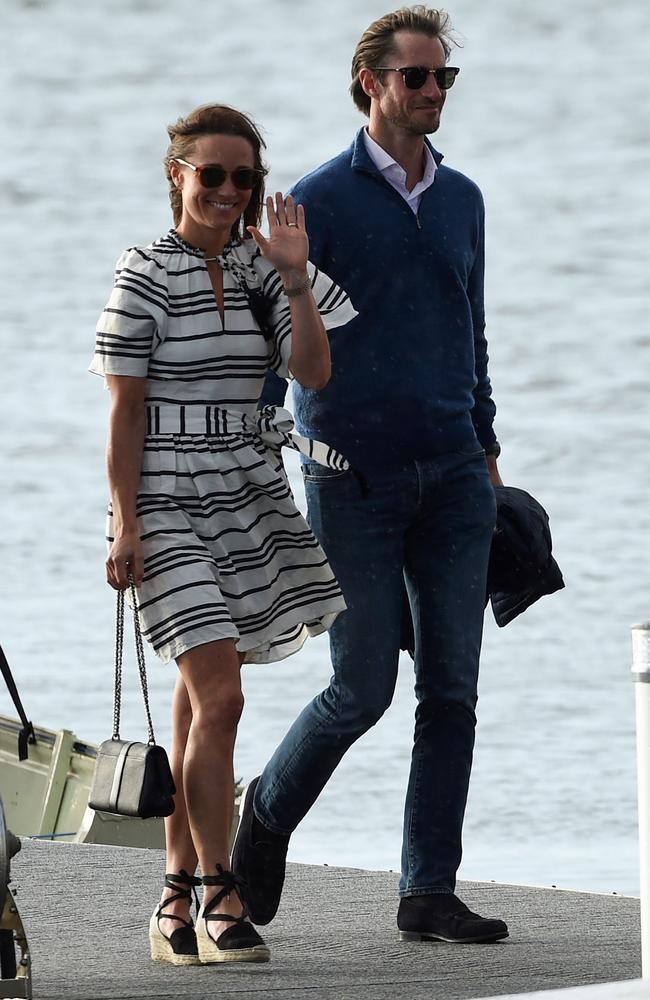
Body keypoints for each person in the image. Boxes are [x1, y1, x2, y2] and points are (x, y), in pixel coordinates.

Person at [233, 5, 509, 944]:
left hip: (457, 479)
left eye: (445, 80)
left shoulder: (465, 198)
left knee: (454, 691)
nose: (434, 93)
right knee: (361, 688)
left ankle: (426, 890)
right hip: (350, 482)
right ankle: (265, 814)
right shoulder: (318, 202)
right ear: (372, 86)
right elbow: (276, 345)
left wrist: (489, 453)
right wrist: (245, 462)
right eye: (418, 78)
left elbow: (471, 334)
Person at [89, 103, 356, 966]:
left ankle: (171, 896)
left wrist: (294, 274)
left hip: (245, 493)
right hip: (162, 497)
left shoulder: (261, 267)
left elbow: (312, 370)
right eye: (212, 174)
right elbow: (124, 414)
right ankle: (217, 887)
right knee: (224, 696)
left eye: (244, 178)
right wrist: (125, 521)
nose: (229, 191)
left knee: (205, 695)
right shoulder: (144, 272)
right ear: (178, 175)